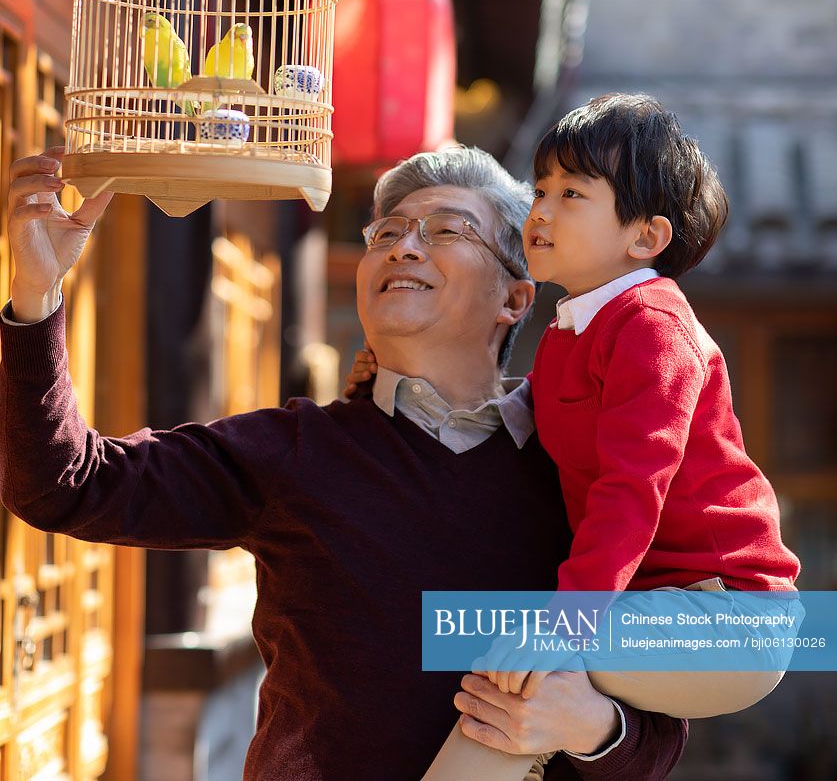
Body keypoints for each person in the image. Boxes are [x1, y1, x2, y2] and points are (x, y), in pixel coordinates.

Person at [0, 144, 688, 781]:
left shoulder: (587, 470)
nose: (404, 246)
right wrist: (36, 297)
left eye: (446, 230)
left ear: (513, 297)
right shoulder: (292, 452)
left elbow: (663, 725)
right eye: (386, 233)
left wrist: (596, 727)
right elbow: (65, 484)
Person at [371, 94, 799, 781]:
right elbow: (511, 422)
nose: (539, 209)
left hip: (729, 614)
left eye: (572, 193)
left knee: (518, 663)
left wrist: (564, 621)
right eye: (540, 188)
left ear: (644, 237)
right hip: (652, 605)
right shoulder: (570, 335)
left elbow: (633, 488)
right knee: (505, 694)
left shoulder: (652, 326)